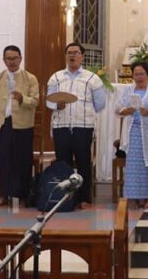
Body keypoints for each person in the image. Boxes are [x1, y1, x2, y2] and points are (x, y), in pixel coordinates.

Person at [46, 42, 106, 209]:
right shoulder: (56, 77)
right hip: (61, 126)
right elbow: (48, 101)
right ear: (65, 56)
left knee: (83, 162)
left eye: (76, 53)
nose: (72, 56)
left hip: (83, 126)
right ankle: (65, 198)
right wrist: (56, 105)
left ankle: (84, 198)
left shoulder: (92, 78)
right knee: (63, 163)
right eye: (69, 53)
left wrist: (83, 109)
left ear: (82, 56)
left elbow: (100, 103)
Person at [0, 45, 39, 207]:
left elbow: (35, 101)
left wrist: (22, 98)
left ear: (20, 58)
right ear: (3, 60)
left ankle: (23, 194)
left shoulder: (30, 78)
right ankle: (4, 195)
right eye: (8, 58)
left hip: (23, 125)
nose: (11, 62)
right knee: (3, 160)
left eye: (14, 58)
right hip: (3, 124)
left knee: (23, 160)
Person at [116, 62, 148, 209]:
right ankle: (132, 197)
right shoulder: (127, 90)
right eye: (136, 74)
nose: (138, 77)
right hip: (133, 132)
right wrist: (128, 110)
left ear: (147, 74)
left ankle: (147, 197)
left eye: (141, 74)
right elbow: (118, 109)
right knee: (133, 166)